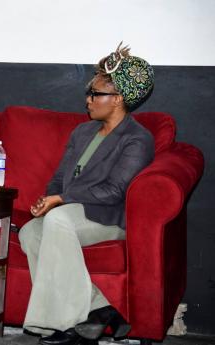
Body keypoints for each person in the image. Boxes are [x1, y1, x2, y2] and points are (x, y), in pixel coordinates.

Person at [18, 43, 155, 345]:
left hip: (107, 217)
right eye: (89, 93)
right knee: (30, 232)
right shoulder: (82, 132)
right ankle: (100, 308)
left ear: (118, 99)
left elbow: (114, 190)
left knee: (60, 222)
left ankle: (65, 324)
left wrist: (62, 201)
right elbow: (59, 178)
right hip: (72, 213)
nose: (88, 100)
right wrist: (48, 199)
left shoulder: (137, 139)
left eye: (96, 94)